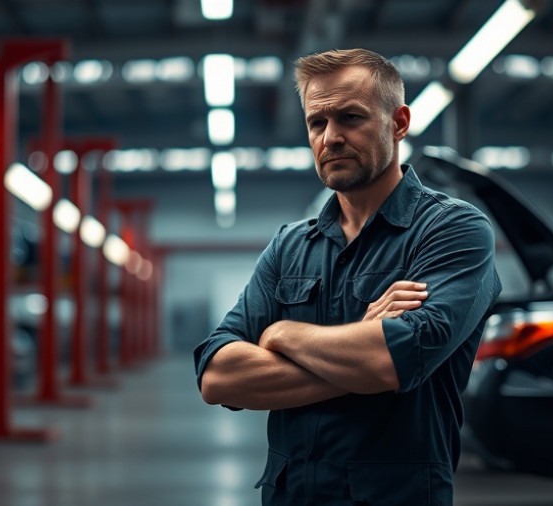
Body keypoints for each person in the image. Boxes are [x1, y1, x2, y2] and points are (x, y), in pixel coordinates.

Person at [193, 48, 502, 505]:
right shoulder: (290, 246)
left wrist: (281, 334)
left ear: (398, 123)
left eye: (350, 118)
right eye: (317, 123)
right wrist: (364, 348)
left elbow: (394, 360)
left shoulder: (452, 230)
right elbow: (218, 376)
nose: (331, 137)